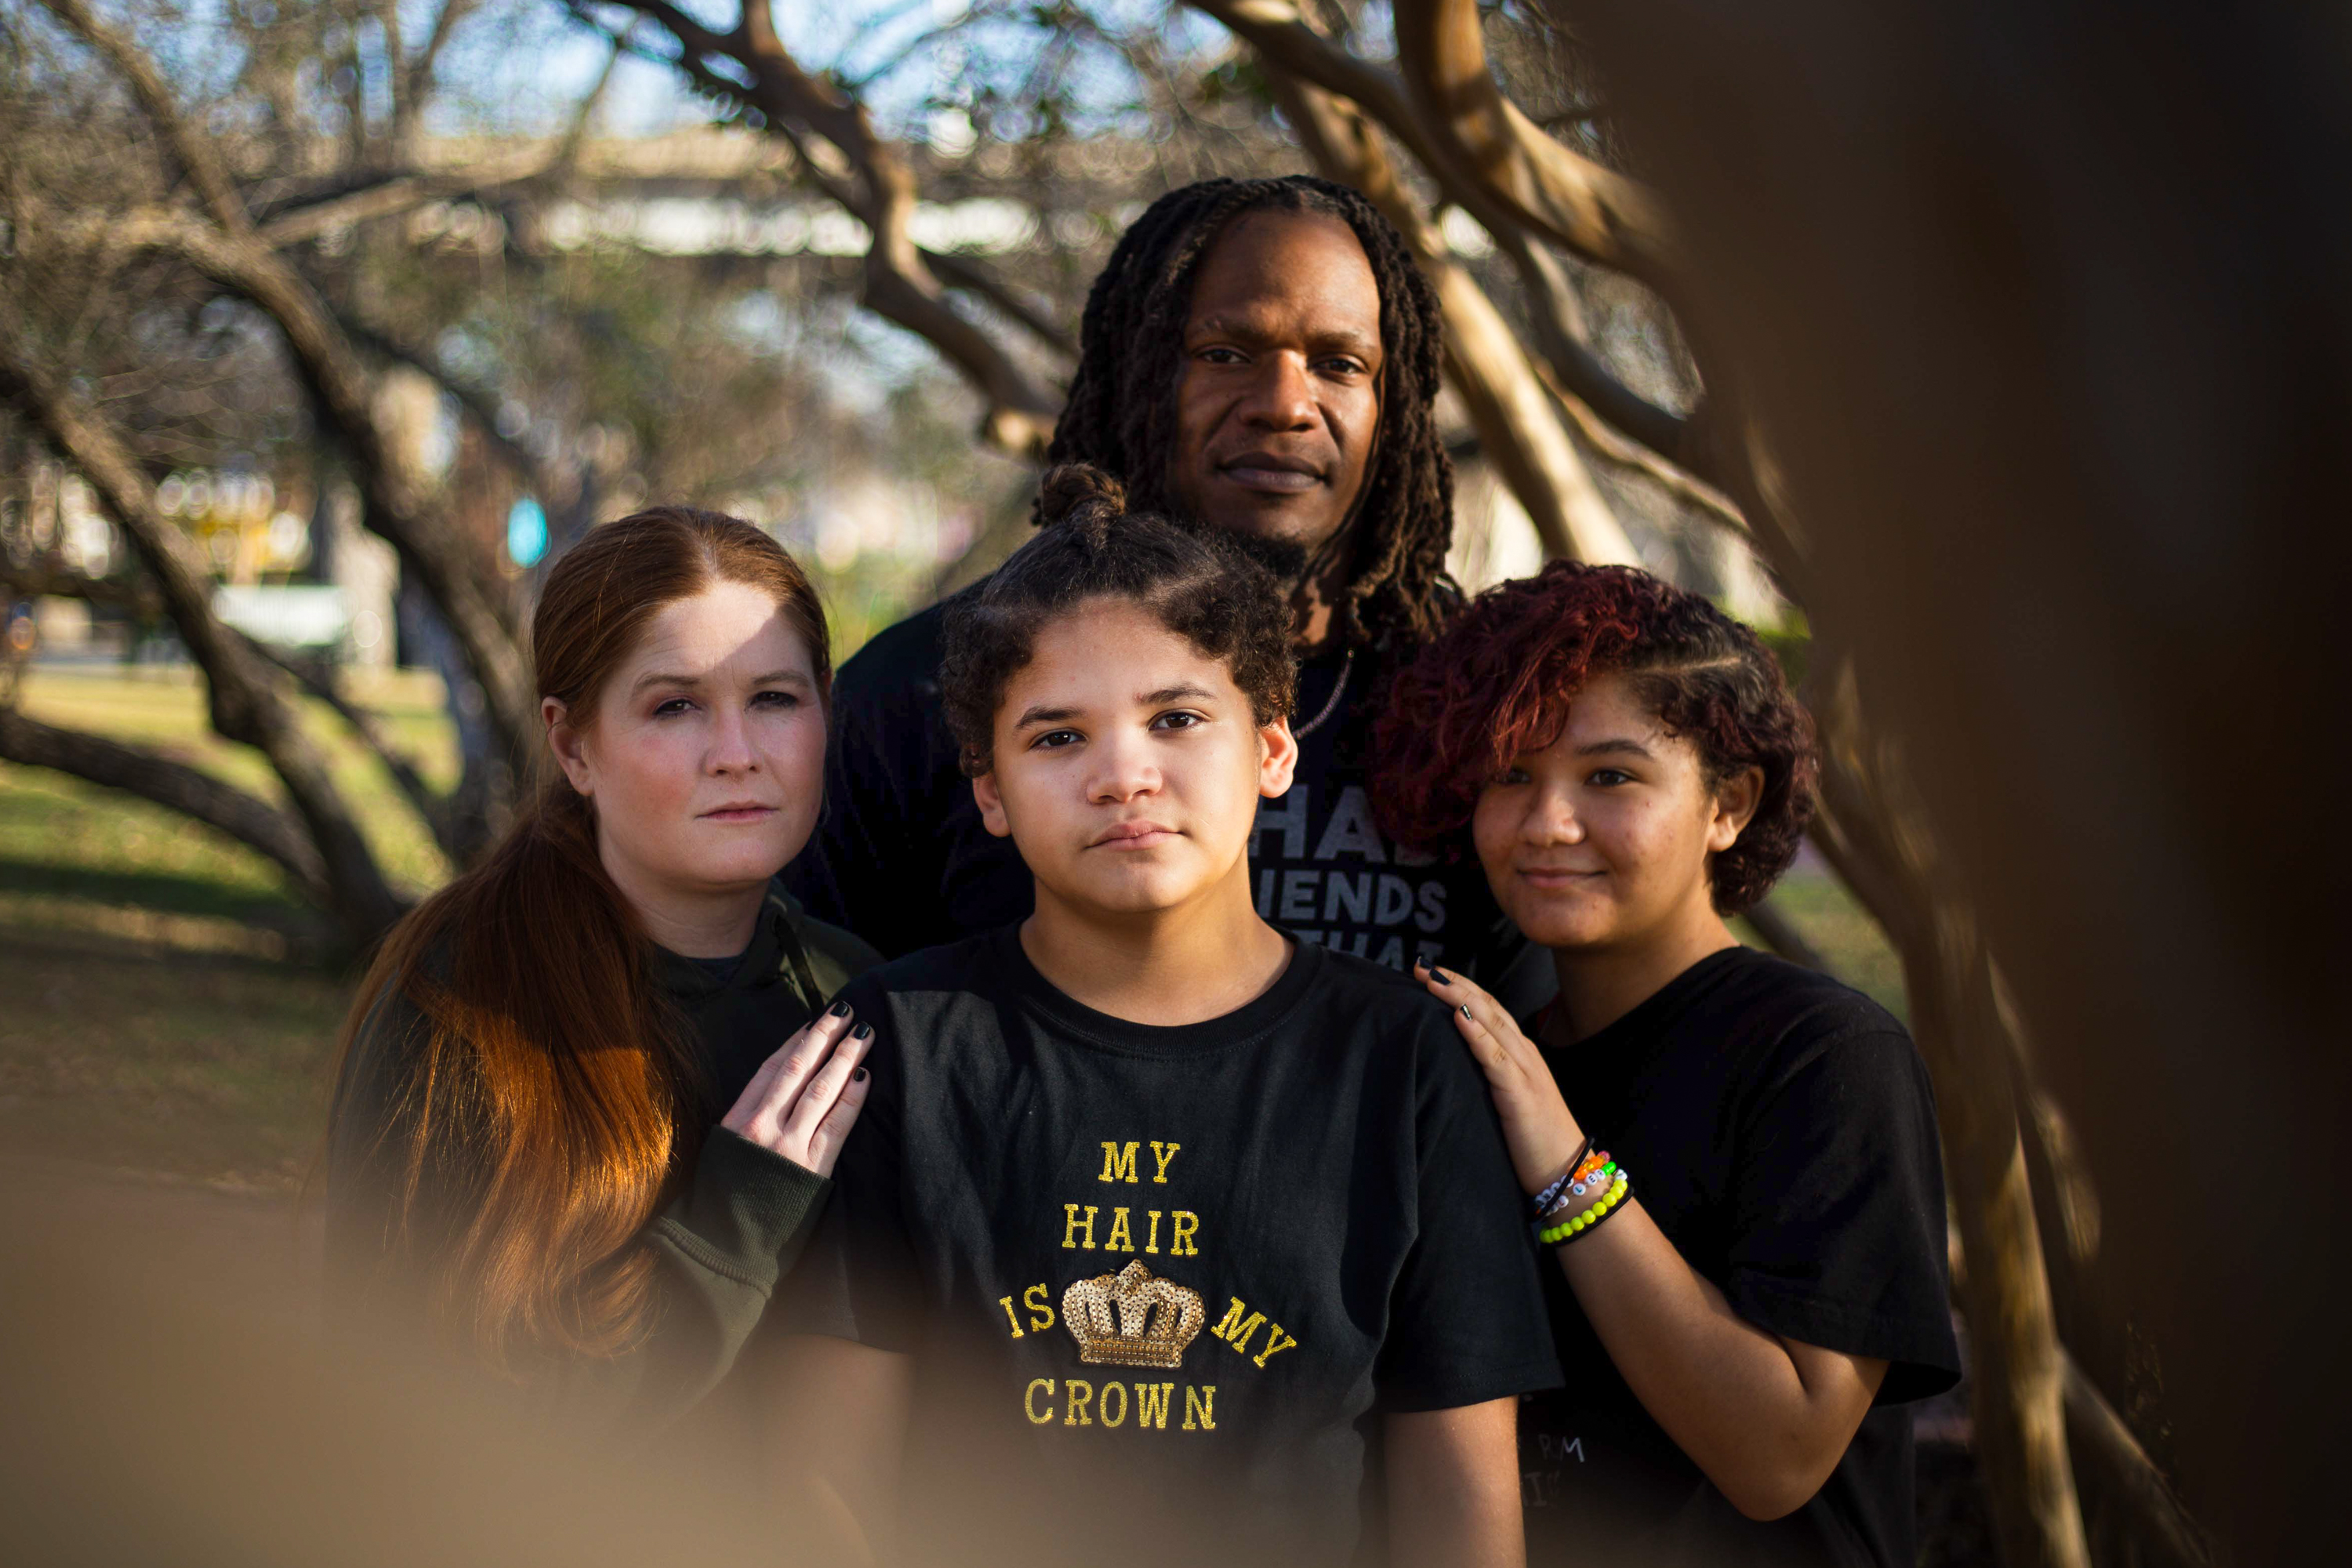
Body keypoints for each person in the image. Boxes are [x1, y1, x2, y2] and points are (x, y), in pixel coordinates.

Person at [771, 468, 1559, 1568]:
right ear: (987, 790)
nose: (1123, 774)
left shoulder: (1401, 1061)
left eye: (1178, 718)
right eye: (1056, 738)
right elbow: (824, 1485)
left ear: (1273, 749)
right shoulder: (902, 1044)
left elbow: (1462, 1507)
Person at [790, 175, 1548, 1011]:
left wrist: (1581, 1155)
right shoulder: (931, 690)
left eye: (1339, 364)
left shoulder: (1486, 703)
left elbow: (1597, 1118)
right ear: (1139, 373)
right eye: (1225, 354)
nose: (1287, 405)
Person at [1374, 562, 1962, 1568]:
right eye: (1511, 774)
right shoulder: (1488, 1056)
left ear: (1728, 805)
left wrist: (1564, 1166)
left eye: (1611, 776)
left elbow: (1777, 1454)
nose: (1549, 823)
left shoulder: (1822, 1056)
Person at [327, 507, 881, 1429]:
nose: (736, 754)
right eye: (675, 705)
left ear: (826, 708)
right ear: (573, 744)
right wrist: (733, 1223)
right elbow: (403, 1416)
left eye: (775, 699)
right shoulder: (462, 997)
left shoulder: (859, 995)